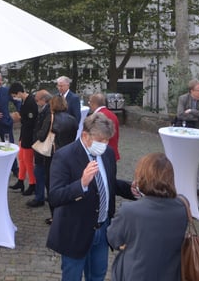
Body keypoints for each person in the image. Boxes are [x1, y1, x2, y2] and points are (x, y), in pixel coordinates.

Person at [46, 113, 134, 281]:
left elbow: (109, 183)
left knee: (98, 275)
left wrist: (132, 190)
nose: (104, 144)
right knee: (72, 276)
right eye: (100, 140)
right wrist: (82, 184)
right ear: (85, 135)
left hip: (102, 228)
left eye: (107, 140)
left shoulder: (107, 153)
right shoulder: (64, 156)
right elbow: (55, 196)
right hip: (76, 231)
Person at [107, 153, 188, 281]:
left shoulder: (129, 211)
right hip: (170, 274)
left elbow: (113, 239)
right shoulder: (183, 206)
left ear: (143, 177)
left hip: (136, 274)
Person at [35, 95, 78, 217]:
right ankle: (66, 212)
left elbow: (42, 136)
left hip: (54, 156)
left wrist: (38, 132)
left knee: (52, 186)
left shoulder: (51, 118)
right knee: (67, 184)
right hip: (69, 155)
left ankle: (55, 216)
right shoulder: (72, 119)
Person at [9, 82, 38, 195]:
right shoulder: (24, 101)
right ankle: (21, 180)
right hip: (24, 134)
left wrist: (19, 118)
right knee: (21, 158)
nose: (14, 98)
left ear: (20, 92)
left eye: (15, 95)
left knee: (28, 161)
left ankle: (32, 183)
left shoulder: (30, 102)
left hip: (29, 136)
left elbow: (31, 121)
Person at [28, 90, 53, 209]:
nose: (36, 101)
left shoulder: (48, 111)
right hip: (42, 149)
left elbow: (43, 133)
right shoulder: (46, 109)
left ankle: (40, 198)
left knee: (40, 172)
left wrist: (37, 135)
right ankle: (43, 196)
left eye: (37, 99)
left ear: (44, 100)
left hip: (42, 149)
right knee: (42, 172)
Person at [88, 93, 120, 161]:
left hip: (102, 154)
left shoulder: (97, 117)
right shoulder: (112, 114)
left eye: (89, 102)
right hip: (112, 151)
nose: (89, 104)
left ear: (93, 103)